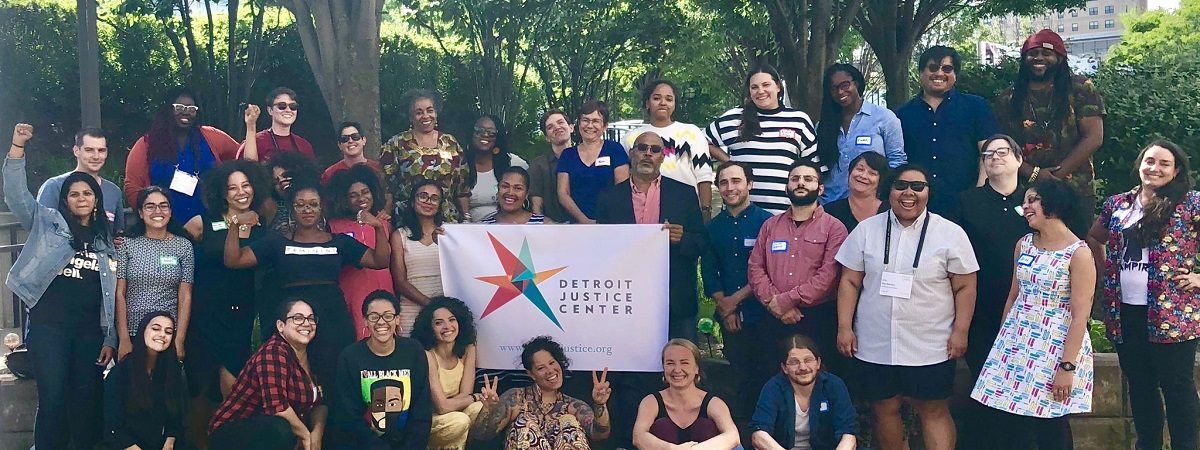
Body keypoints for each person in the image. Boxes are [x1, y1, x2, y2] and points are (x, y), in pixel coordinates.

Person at [834, 165, 979, 450]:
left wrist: (960, 332)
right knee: (884, 408)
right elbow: (849, 282)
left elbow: (965, 287)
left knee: (933, 409)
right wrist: (844, 327)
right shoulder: (866, 230)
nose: (908, 193)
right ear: (888, 191)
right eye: (900, 186)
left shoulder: (950, 233)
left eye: (917, 186)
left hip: (930, 343)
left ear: (928, 193)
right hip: (876, 342)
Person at [7, 123, 116, 450]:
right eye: (74, 194)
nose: (81, 198)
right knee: (53, 401)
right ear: (65, 200)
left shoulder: (105, 242)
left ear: (96, 201)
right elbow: (16, 195)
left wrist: (110, 336)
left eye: (87, 194)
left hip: (89, 333)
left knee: (85, 403)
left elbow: (110, 298)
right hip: (49, 328)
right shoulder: (48, 224)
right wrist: (17, 147)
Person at [1087, 140, 1200, 450]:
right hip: (1125, 312)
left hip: (1172, 314)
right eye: (1150, 161)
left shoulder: (1190, 204)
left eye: (1164, 163)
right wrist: (1104, 271)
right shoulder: (1118, 204)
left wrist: (1198, 278)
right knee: (1140, 386)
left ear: (1176, 170)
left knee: (1177, 388)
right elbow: (1094, 238)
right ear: (1139, 165)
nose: (1155, 168)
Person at [224, 180, 391, 389]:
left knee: (332, 374)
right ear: (292, 209)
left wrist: (378, 228)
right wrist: (235, 225)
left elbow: (380, 261)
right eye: (300, 204)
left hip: (332, 318)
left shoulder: (339, 241)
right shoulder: (277, 241)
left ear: (321, 207)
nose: (307, 209)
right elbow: (234, 260)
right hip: (293, 317)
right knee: (291, 375)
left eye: (313, 204)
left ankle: (329, 420)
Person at [970, 178, 1095, 450]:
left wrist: (1067, 367)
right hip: (1018, 343)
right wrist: (1004, 346)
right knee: (1014, 421)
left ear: (1054, 205)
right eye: (1025, 201)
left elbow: (1079, 315)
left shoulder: (1079, 254)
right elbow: (1014, 295)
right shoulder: (1024, 244)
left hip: (1056, 348)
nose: (1025, 206)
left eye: (1032, 200)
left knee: (1051, 423)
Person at [181, 159, 273, 447]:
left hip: (240, 318)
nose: (240, 192)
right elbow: (172, 245)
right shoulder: (201, 223)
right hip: (203, 315)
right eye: (233, 187)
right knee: (200, 388)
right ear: (222, 192)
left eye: (245, 185)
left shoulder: (261, 228)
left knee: (234, 389)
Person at [596, 131, 707, 340]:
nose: (648, 153)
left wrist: (682, 238)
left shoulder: (684, 194)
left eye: (655, 150)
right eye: (642, 148)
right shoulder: (609, 198)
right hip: (625, 296)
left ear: (662, 157)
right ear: (631, 153)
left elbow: (701, 242)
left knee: (682, 364)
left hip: (675, 297)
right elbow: (600, 249)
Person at [995, 29, 1105, 237]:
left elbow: (1094, 137)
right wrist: (1034, 174)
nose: (1039, 58)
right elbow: (1003, 146)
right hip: (1025, 190)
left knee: (1077, 247)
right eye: (1032, 54)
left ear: (1060, 58)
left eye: (1047, 53)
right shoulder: (1009, 98)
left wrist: (1055, 176)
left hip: (1075, 189)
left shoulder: (1081, 88)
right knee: (1029, 248)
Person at [747, 161, 848, 376]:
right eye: (795, 179)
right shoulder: (770, 225)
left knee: (818, 379)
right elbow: (755, 267)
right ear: (787, 187)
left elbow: (828, 275)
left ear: (820, 189)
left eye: (808, 179)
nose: (800, 183)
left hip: (817, 319)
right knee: (771, 376)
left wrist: (785, 301)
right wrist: (774, 302)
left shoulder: (835, 228)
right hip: (773, 317)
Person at [950, 135, 1034, 377]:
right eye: (988, 154)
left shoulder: (1037, 202)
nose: (994, 157)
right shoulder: (966, 202)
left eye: (1002, 152)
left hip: (1028, 306)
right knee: (984, 379)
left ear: (1019, 159)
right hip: (980, 308)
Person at [701, 161, 775, 421]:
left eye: (736, 181)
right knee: (739, 378)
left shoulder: (769, 223)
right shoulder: (712, 228)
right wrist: (725, 306)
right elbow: (709, 272)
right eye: (723, 182)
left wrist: (735, 301)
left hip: (764, 314)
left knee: (767, 375)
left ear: (749, 185)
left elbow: (769, 271)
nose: (730, 188)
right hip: (729, 317)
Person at [208, 299, 326, 449]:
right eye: (297, 318)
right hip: (232, 433)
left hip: (273, 434)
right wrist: (306, 437)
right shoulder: (273, 351)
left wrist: (317, 433)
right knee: (281, 428)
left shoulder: (313, 355)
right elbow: (278, 408)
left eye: (311, 318)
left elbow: (320, 404)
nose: (306, 323)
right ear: (280, 325)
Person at [895, 46, 1000, 214]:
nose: (939, 73)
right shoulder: (901, 115)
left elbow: (988, 152)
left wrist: (980, 193)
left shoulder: (976, 107)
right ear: (921, 72)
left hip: (965, 203)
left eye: (947, 69)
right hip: (918, 204)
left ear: (955, 74)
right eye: (933, 68)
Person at [706, 63, 820, 214]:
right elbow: (701, 141)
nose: (760, 91)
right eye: (754, 87)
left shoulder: (798, 120)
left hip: (784, 213)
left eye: (766, 85)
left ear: (778, 86)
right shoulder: (733, 118)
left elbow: (812, 166)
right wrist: (730, 162)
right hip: (740, 212)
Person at [471, 336, 613, 450]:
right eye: (541, 368)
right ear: (531, 374)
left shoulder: (573, 406)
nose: (550, 370)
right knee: (525, 423)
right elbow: (482, 436)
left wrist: (600, 404)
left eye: (552, 363)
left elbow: (600, 435)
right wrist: (488, 410)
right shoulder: (515, 398)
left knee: (569, 423)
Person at [333, 290, 433, 450]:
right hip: (364, 445)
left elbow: (422, 409)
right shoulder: (350, 357)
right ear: (365, 321)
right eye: (373, 316)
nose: (381, 322)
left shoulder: (413, 350)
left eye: (388, 316)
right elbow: (348, 417)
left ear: (397, 319)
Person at [126, 87, 242, 223]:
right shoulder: (147, 144)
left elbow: (242, 157)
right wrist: (151, 218)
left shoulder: (211, 136)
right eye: (179, 107)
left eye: (192, 109)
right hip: (165, 227)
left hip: (209, 224)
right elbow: (132, 186)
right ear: (168, 109)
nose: (186, 112)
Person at [116, 186, 195, 360]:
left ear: (170, 211)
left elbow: (185, 296)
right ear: (141, 213)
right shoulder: (127, 244)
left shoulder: (183, 246)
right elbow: (120, 293)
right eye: (150, 206)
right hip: (133, 330)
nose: (157, 211)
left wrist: (179, 340)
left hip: (166, 333)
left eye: (163, 206)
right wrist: (123, 338)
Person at [815, 63, 906, 204]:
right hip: (828, 204)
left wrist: (883, 194)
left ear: (856, 83)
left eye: (845, 85)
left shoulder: (884, 118)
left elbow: (897, 161)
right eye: (834, 88)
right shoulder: (823, 126)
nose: (840, 92)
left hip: (869, 205)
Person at [748, 334, 857, 450]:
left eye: (808, 360)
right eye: (794, 362)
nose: (803, 367)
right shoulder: (773, 388)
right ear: (784, 368)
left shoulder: (834, 385)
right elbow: (759, 434)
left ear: (818, 363)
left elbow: (848, 433)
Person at [622, 79, 715, 214]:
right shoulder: (631, 138)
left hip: (685, 209)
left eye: (669, 99)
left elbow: (704, 176)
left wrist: (705, 211)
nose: (663, 103)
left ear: (675, 104)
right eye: (656, 98)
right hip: (641, 210)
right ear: (647, 103)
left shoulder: (691, 133)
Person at [379, 89, 471, 223]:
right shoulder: (396, 144)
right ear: (411, 117)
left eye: (430, 110)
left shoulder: (450, 143)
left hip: (446, 219)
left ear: (436, 113)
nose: (425, 116)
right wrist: (385, 216)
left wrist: (467, 217)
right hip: (408, 218)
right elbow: (387, 188)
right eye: (419, 112)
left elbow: (462, 187)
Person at [631, 339, 739, 450]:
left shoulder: (714, 403)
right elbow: (639, 437)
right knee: (662, 427)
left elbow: (732, 437)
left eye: (684, 363)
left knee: (705, 426)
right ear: (663, 368)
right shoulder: (650, 402)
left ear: (697, 368)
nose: (677, 369)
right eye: (670, 363)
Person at [328, 164, 396, 339]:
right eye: (353, 195)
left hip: (384, 290)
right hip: (352, 294)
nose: (361, 198)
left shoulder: (385, 223)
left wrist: (378, 225)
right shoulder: (334, 226)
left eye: (365, 192)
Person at [104, 312, 188, 450]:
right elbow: (113, 426)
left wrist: (169, 443)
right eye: (156, 328)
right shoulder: (121, 372)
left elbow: (176, 420)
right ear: (143, 331)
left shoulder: (173, 372)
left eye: (168, 332)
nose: (162, 334)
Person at [412, 296, 483, 450]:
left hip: (457, 412)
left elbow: (466, 393)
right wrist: (474, 397)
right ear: (429, 328)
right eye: (439, 323)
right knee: (461, 419)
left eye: (452, 320)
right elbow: (441, 407)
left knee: (478, 409)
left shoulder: (469, 348)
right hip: (431, 420)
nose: (447, 326)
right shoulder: (427, 355)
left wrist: (468, 399)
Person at [36, 127, 125, 232]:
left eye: (101, 150)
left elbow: (118, 233)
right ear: (76, 151)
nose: (96, 156)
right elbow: (41, 230)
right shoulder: (54, 186)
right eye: (89, 150)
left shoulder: (113, 191)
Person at [557, 100, 631, 223]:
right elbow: (563, 193)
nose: (590, 125)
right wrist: (584, 221)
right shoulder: (567, 155)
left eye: (596, 121)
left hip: (611, 223)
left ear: (605, 126)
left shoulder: (614, 149)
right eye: (585, 120)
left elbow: (622, 189)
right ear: (578, 124)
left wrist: (602, 222)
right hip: (577, 225)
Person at [391, 180, 448, 335]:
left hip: (445, 312)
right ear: (412, 201)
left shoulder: (449, 233)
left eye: (435, 198)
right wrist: (430, 305)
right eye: (423, 196)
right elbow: (400, 282)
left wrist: (441, 308)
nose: (429, 202)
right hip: (411, 310)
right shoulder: (400, 235)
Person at [467, 114, 529, 222]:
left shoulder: (514, 162)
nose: (485, 135)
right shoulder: (461, 164)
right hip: (471, 233)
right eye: (479, 130)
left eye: (491, 133)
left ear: (498, 137)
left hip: (509, 229)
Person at [239, 86, 316, 162]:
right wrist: (251, 126)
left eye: (293, 106)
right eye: (282, 106)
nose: (288, 110)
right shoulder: (255, 141)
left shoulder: (304, 146)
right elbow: (248, 169)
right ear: (270, 110)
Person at [822, 152, 890, 233]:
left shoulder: (891, 211)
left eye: (872, 173)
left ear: (880, 180)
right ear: (849, 173)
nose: (863, 176)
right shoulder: (829, 212)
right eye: (860, 169)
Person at [530, 109, 574, 223]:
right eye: (550, 127)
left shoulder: (588, 159)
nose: (557, 127)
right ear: (547, 137)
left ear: (571, 127)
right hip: (552, 229)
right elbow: (536, 205)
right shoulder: (538, 165)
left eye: (560, 122)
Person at [265, 151, 321, 234]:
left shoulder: (319, 200)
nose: (282, 182)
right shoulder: (272, 207)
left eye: (286, 176)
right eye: (276, 182)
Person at [322, 120, 383, 185]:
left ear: (363, 140)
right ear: (339, 145)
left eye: (355, 137)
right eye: (345, 139)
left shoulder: (378, 169)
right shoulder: (330, 174)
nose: (350, 141)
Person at [482, 166, 547, 224]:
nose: (510, 192)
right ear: (498, 190)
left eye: (518, 188)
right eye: (505, 186)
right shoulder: (482, 227)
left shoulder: (544, 225)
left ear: (526, 194)